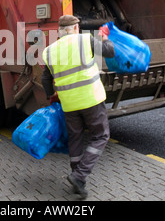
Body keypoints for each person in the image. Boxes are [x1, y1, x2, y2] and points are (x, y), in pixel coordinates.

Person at [41, 15, 115, 199]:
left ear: (60, 31)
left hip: (68, 103)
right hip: (91, 99)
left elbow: (45, 78)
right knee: (101, 135)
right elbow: (110, 51)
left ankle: (78, 181)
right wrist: (104, 37)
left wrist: (51, 95)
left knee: (75, 139)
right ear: (75, 28)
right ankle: (79, 175)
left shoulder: (49, 51)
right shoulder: (84, 40)